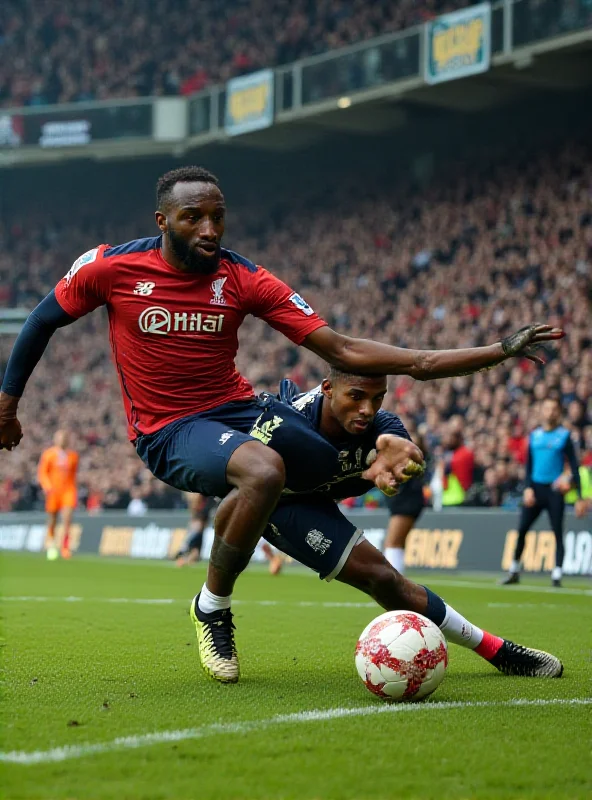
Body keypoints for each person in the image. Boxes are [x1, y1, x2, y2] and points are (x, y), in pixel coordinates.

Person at [0, 165, 564, 684]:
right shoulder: (111, 268)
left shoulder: (243, 278)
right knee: (266, 468)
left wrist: (493, 352)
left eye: (218, 216)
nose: (209, 227)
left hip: (241, 414)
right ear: (162, 221)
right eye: (193, 216)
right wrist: (7, 404)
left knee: (378, 570)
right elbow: (42, 320)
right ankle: (212, 605)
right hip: (168, 429)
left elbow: (344, 351)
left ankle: (495, 649)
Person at [257, 370, 563, 681]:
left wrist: (398, 461)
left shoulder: (382, 426)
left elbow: (400, 447)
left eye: (377, 398)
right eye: (356, 396)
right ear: (328, 390)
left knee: (383, 576)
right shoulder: (286, 422)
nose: (367, 409)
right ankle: (212, 608)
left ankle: (497, 650)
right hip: (270, 500)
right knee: (235, 528)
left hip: (311, 504)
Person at [502, 396, 588, 588]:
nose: (550, 412)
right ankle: (514, 570)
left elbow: (574, 466)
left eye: (553, 409)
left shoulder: (564, 436)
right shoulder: (534, 436)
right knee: (522, 529)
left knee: (557, 531)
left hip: (554, 491)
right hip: (535, 490)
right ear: (542, 411)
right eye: (547, 408)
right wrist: (528, 489)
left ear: (558, 412)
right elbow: (529, 467)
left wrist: (580, 496)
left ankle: (557, 574)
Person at [382, 421, 426, 574]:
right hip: (403, 501)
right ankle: (395, 582)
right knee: (395, 543)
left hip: (406, 501)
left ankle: (394, 584)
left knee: (393, 543)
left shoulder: (410, 457)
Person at [37, 430, 78, 559]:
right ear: (55, 439)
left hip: (68, 491)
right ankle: (51, 543)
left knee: (67, 518)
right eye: (59, 438)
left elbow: (73, 474)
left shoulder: (73, 456)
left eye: (64, 438)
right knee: (53, 519)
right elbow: (42, 473)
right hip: (53, 491)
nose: (62, 440)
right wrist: (47, 486)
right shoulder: (48, 455)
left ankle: (65, 547)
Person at [175, 493, 217, 566]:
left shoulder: (202, 506)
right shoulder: (204, 504)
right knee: (195, 546)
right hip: (200, 522)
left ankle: (186, 557)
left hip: (200, 522)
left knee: (193, 543)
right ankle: (188, 558)